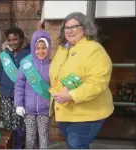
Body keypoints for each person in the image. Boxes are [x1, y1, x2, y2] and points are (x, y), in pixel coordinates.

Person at [49, 12, 114, 149]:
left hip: (86, 114)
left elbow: (98, 83)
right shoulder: (62, 49)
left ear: (84, 28)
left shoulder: (94, 49)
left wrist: (71, 95)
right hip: (66, 112)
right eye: (66, 27)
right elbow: (57, 75)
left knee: (77, 146)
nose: (70, 31)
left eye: (74, 26)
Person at [0, 27, 30, 148]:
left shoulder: (28, 53)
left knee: (19, 127)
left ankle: (19, 146)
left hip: (19, 96)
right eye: (9, 40)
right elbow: (3, 72)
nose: (12, 42)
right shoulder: (6, 54)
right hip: (5, 95)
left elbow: (28, 75)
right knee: (8, 126)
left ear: (21, 38)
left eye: (15, 39)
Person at [14, 30, 51, 149]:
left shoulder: (52, 65)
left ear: (48, 48)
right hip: (28, 109)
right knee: (30, 137)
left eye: (44, 48)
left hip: (45, 109)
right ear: (33, 49)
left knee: (44, 136)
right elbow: (19, 85)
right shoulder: (26, 65)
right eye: (38, 48)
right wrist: (19, 104)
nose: (40, 51)